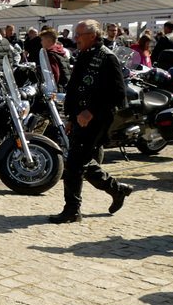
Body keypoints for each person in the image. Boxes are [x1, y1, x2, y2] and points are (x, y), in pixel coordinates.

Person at [49, 20, 131, 224]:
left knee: (75, 164)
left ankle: (72, 210)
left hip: (96, 119)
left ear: (93, 35)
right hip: (79, 118)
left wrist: (91, 112)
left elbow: (119, 94)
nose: (75, 38)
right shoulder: (85, 54)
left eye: (80, 35)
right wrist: (70, 116)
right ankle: (117, 189)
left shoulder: (107, 57)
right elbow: (75, 89)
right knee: (81, 161)